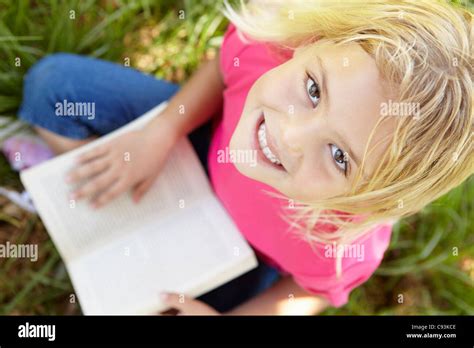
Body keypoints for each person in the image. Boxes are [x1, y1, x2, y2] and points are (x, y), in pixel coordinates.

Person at [18, 0, 473, 314]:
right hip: (197, 138)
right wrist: (162, 131)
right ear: (313, 42)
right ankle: (77, 183)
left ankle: (87, 194)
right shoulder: (269, 52)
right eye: (313, 90)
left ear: (370, 200)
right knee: (55, 90)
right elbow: (223, 68)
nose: (288, 134)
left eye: (339, 156)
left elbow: (304, 293)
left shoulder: (337, 246)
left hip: (234, 253)